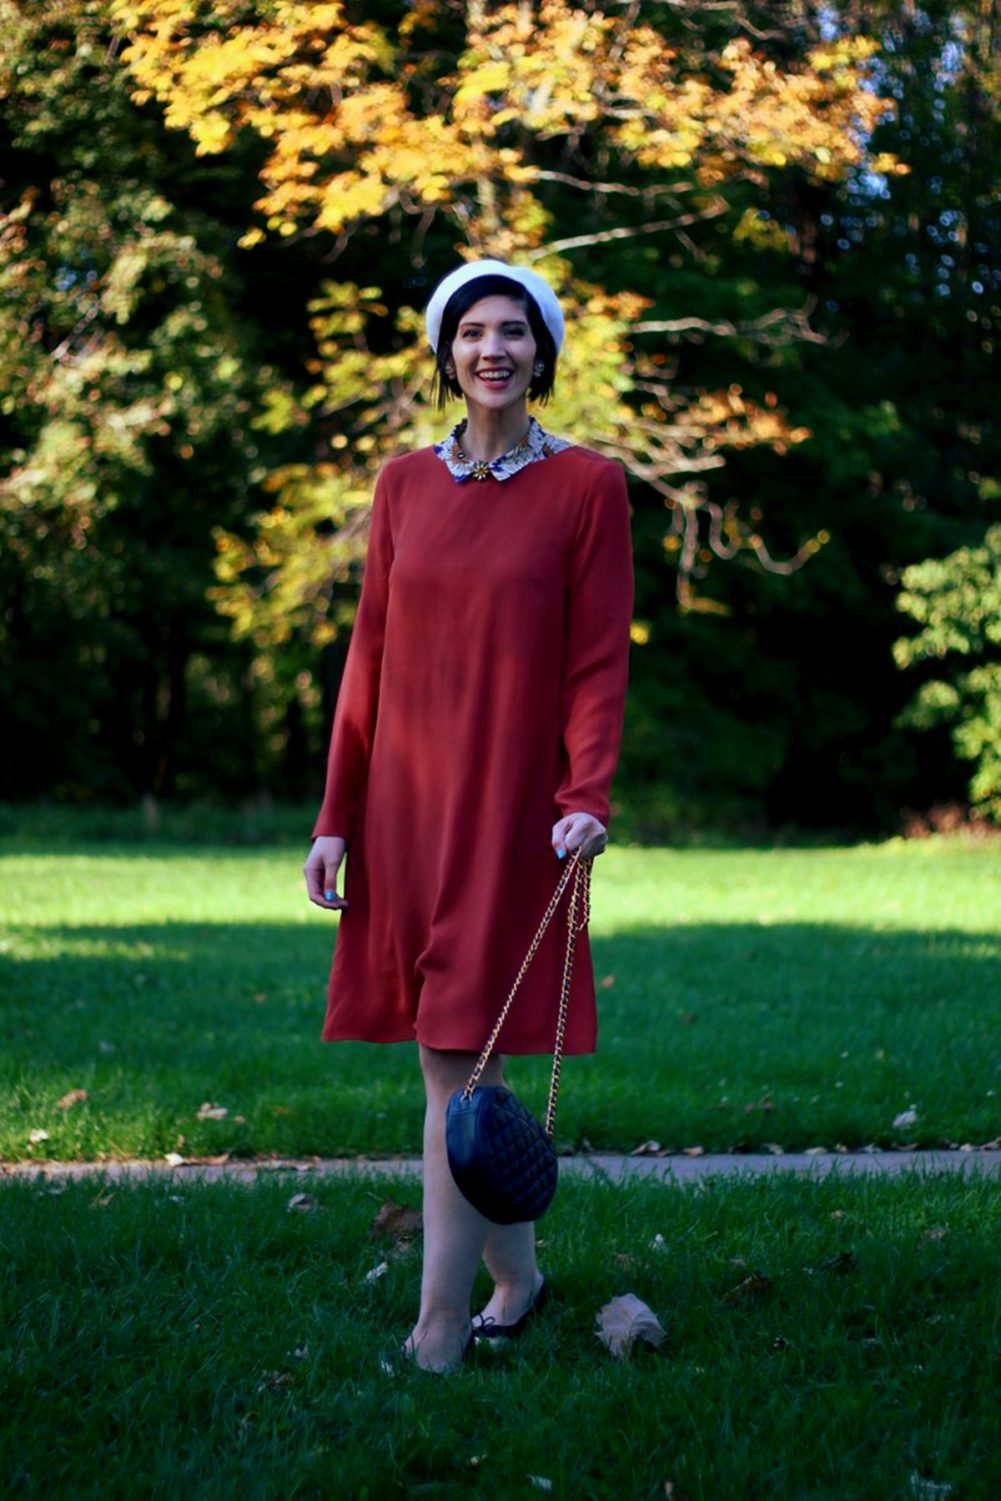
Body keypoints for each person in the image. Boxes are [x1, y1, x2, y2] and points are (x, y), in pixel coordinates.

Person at [303, 257, 633, 1373]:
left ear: (540, 352)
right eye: (470, 331)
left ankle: (440, 1326)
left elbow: (595, 666)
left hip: (511, 815)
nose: (490, 348)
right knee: (459, 1061)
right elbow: (369, 656)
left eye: (512, 331)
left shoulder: (588, 487)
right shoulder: (401, 485)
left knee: (457, 1058)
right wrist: (334, 814)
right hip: (404, 808)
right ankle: (513, 1275)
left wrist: (585, 793)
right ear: (446, 354)